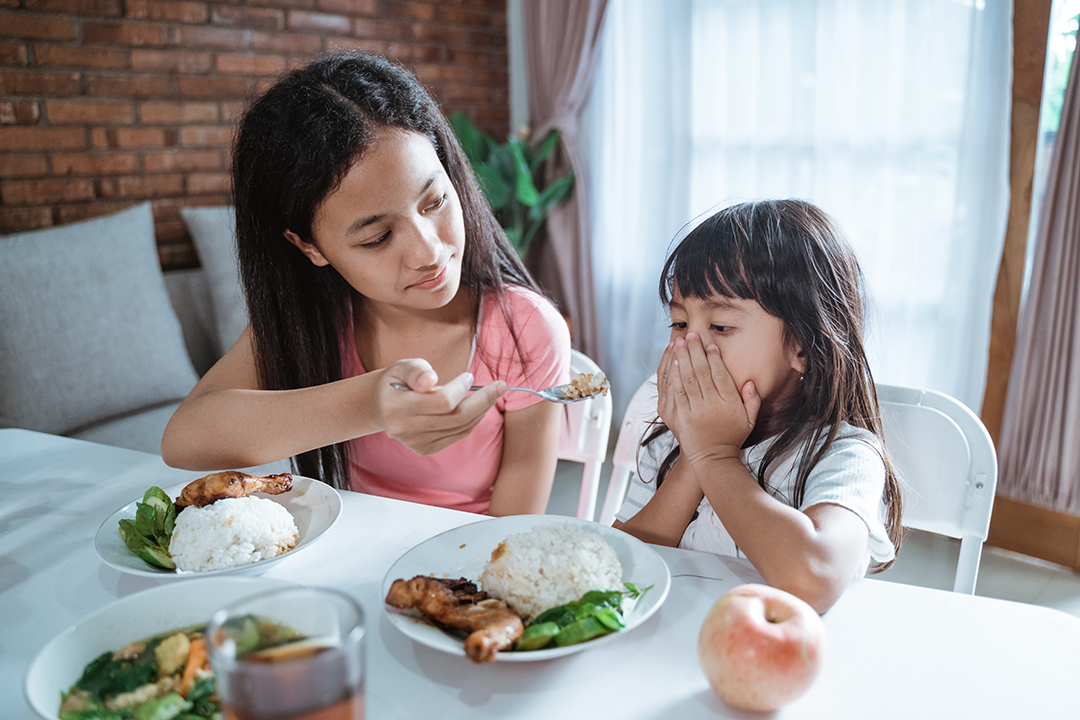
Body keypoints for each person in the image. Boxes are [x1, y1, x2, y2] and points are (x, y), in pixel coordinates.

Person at [161, 53, 570, 516]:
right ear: (309, 247)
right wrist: (372, 403)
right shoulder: (317, 319)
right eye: (377, 237)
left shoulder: (524, 329)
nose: (429, 252)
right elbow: (184, 440)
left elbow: (511, 531)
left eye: (435, 200)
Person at [614, 199, 903, 613]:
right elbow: (620, 566)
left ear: (803, 346)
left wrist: (714, 456)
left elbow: (812, 579)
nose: (686, 346)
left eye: (720, 326)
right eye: (679, 323)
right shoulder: (670, 441)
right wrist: (696, 452)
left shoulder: (844, 456)